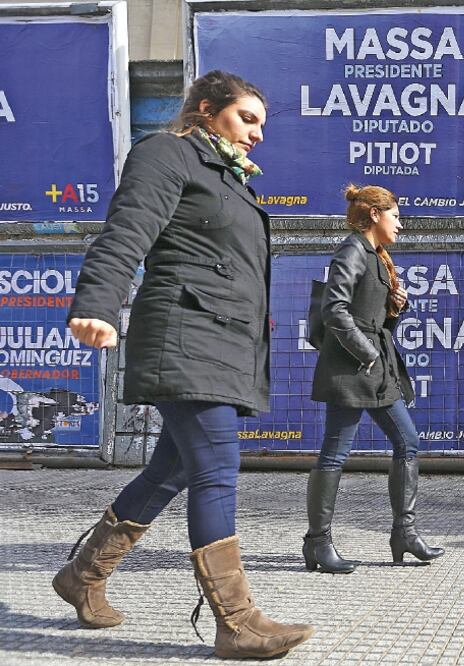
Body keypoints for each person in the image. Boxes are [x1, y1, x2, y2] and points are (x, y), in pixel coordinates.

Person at [52, 71, 313, 659]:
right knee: (216, 466)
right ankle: (237, 620)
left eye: (262, 125)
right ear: (205, 110)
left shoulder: (228, 178)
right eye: (247, 118)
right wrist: (96, 303)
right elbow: (126, 232)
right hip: (184, 336)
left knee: (170, 470)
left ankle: (83, 576)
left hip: (219, 342)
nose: (257, 134)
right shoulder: (168, 153)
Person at [306, 184, 444, 571]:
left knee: (408, 441)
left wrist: (392, 311)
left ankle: (404, 533)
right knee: (335, 452)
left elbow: (370, 317)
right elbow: (335, 310)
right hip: (353, 368)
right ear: (374, 215)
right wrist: (366, 352)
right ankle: (318, 543)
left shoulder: (375, 256)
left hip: (375, 368)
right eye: (395, 216)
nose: (400, 224)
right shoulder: (352, 249)